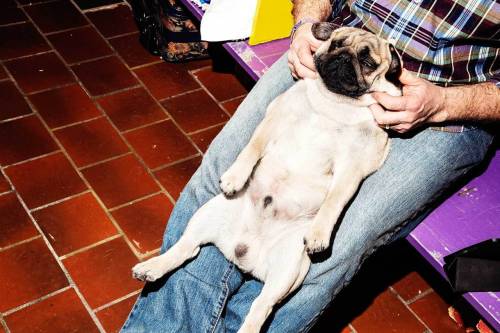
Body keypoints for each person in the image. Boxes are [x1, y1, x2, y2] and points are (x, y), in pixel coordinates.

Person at [122, 0, 499, 331]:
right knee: (221, 177)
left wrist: (445, 104)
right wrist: (306, 25)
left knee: (331, 245)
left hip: (449, 104)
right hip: (334, 50)